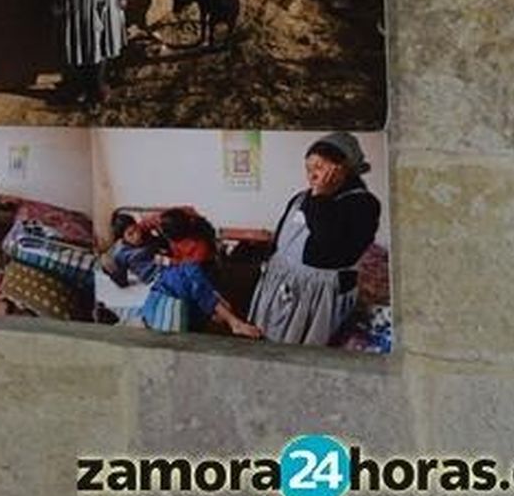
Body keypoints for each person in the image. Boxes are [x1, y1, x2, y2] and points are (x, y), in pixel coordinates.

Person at [248, 132, 382, 345]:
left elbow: (329, 245)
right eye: (308, 168)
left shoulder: (363, 205)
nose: (311, 175)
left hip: (314, 295)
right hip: (280, 284)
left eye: (319, 168)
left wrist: (322, 196)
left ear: (342, 168)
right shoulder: (303, 197)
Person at [137, 209, 263, 337]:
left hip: (202, 270)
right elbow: (140, 227)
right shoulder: (166, 221)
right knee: (190, 285)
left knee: (196, 284)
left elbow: (190, 269)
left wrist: (169, 261)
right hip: (177, 276)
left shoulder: (198, 245)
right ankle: (224, 314)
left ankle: (228, 318)